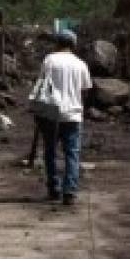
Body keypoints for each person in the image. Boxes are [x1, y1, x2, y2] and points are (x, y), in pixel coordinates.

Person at [34, 30, 92, 205]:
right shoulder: (81, 64)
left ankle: (54, 188)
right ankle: (70, 191)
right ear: (73, 44)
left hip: (52, 113)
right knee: (72, 154)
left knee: (50, 152)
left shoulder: (49, 60)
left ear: (56, 43)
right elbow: (85, 91)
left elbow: (42, 86)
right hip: (73, 113)